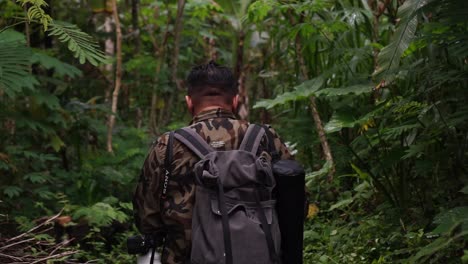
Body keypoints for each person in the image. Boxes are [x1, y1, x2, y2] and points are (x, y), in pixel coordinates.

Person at [132, 61, 293, 264]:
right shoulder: (266, 138)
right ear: (235, 101)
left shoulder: (168, 145)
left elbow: (147, 217)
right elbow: (295, 203)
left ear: (189, 102)